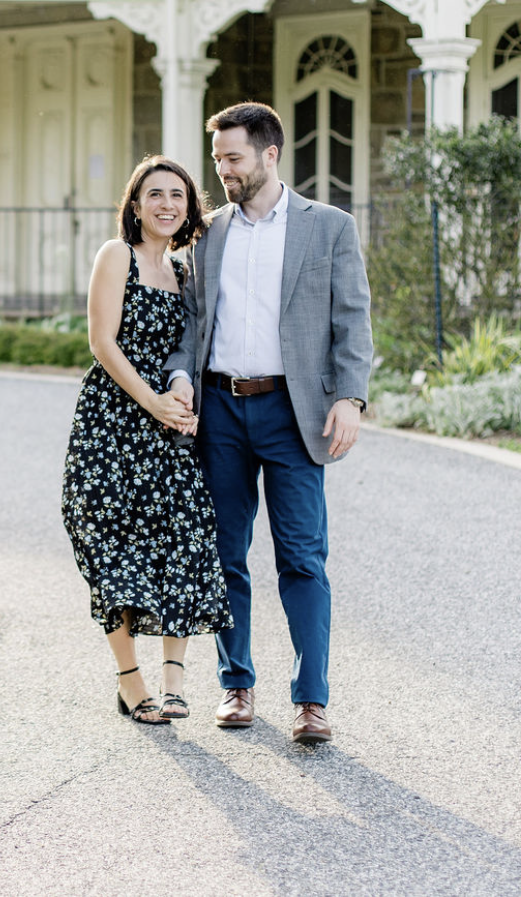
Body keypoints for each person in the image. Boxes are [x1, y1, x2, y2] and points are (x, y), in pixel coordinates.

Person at [164, 102, 373, 744]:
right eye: (217, 159)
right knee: (226, 554)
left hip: (293, 412)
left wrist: (350, 396)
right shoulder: (206, 234)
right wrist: (177, 376)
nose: (222, 170)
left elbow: (353, 318)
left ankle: (311, 702)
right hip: (219, 410)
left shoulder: (329, 228)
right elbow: (190, 322)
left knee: (303, 559)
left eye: (233, 158)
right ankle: (236, 687)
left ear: (269, 153)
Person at [62, 156, 233, 725]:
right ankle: (131, 680)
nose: (167, 205)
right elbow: (102, 343)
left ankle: (176, 683)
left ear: (190, 208)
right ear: (135, 205)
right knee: (114, 550)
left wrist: (178, 399)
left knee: (182, 542)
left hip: (170, 433)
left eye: (178, 196)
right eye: (155, 194)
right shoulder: (117, 257)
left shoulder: (186, 273)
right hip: (113, 425)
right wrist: (152, 401)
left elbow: (190, 351)